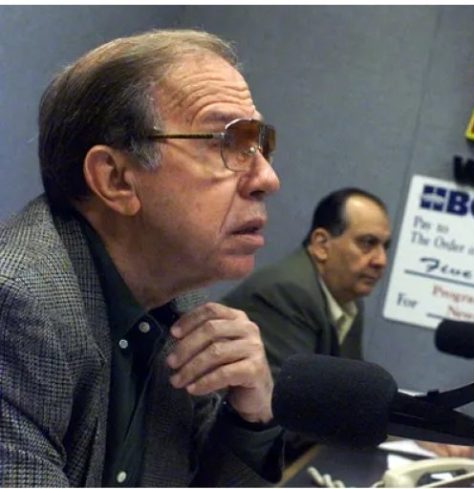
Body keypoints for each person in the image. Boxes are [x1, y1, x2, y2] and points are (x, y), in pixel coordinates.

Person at [0, 30, 289, 486]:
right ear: (116, 179)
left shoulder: (180, 302)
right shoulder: (18, 306)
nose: (267, 179)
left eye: (259, 145)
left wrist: (247, 422)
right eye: (227, 142)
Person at [223, 188, 474, 458]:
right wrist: (410, 428)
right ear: (321, 244)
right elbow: (293, 415)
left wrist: (422, 424)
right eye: (367, 243)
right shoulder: (287, 294)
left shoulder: (345, 298)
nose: (381, 260)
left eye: (385, 247)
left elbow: (354, 402)